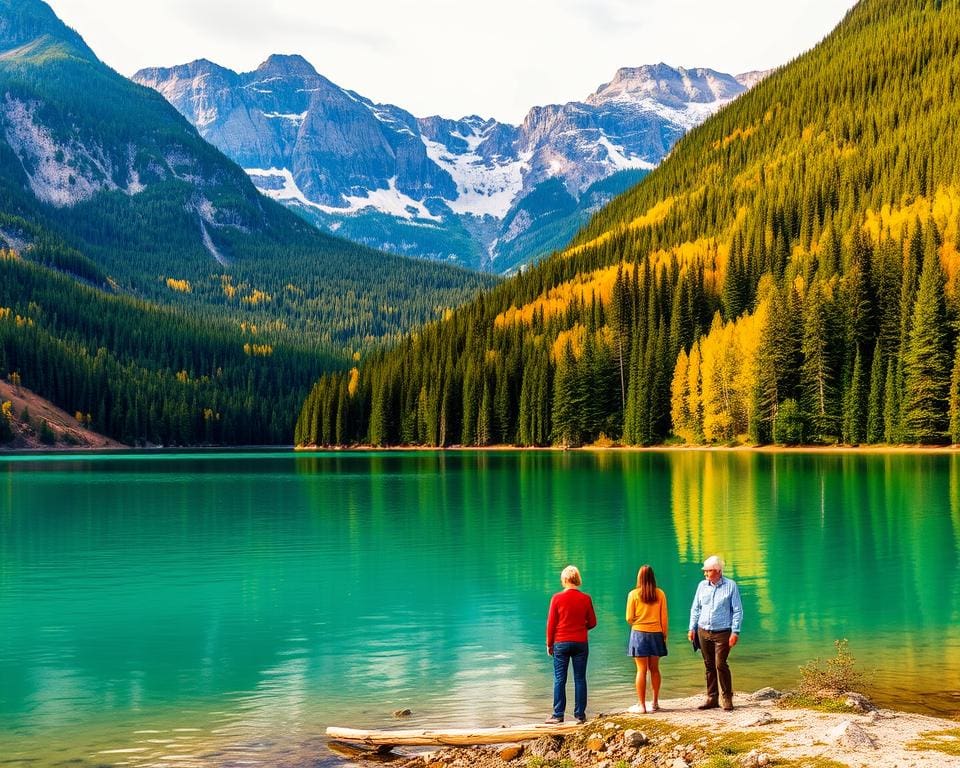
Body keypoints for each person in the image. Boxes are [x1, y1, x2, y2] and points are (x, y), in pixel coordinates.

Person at [687, 555, 743, 711]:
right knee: (709, 664)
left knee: (720, 664)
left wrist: (735, 631)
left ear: (718, 571)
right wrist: (692, 628)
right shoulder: (702, 586)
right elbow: (696, 608)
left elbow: (737, 610)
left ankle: (727, 697)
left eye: (708, 571)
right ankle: (712, 697)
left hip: (723, 632)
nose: (705, 574)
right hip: (703, 630)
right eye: (705, 571)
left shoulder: (730, 586)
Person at [545, 565, 597, 724]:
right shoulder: (586, 598)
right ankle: (580, 715)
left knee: (559, 679)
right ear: (577, 579)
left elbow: (551, 624)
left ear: (564, 580)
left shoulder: (556, 598)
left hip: (560, 642)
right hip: (580, 642)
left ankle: (558, 714)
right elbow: (593, 622)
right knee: (580, 679)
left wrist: (549, 644)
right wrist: (581, 628)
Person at [625, 564, 668, 713]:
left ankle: (642, 705)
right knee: (655, 669)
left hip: (639, 634)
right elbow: (664, 618)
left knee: (641, 670)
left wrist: (638, 620)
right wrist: (664, 635)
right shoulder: (660, 594)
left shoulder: (633, 595)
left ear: (639, 578)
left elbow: (629, 618)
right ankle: (655, 702)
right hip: (656, 633)